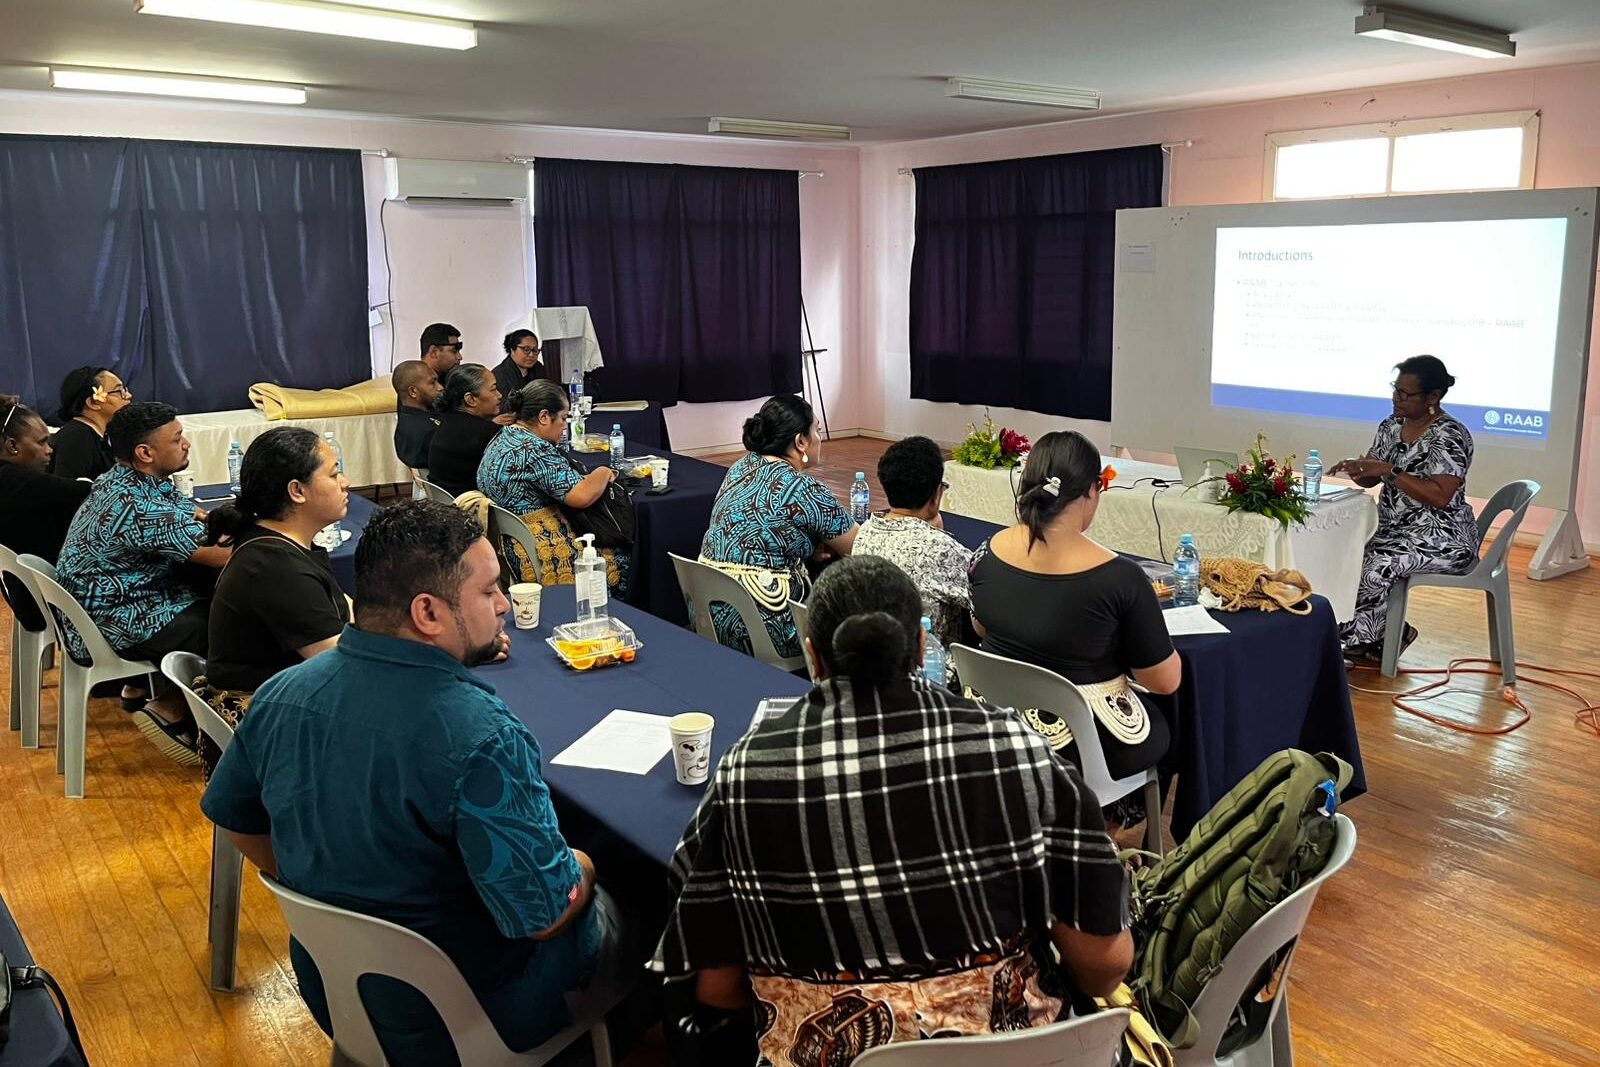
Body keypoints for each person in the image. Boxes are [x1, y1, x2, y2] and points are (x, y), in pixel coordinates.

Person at [654, 556, 1132, 1066]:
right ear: (921, 647)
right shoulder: (1012, 746)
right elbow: (1106, 966)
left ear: (814, 658)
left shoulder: (747, 772)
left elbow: (716, 989)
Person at [200, 501, 628, 1066]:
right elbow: (543, 916)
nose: (503, 604)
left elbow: (233, 818)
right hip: (461, 1014)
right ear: (428, 612)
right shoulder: (481, 735)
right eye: (489, 590)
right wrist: (587, 864)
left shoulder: (282, 692)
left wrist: (328, 901)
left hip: (331, 991)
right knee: (634, 893)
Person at [967, 430, 1180, 829]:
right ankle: (1105, 838)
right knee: (1170, 722)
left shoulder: (988, 552)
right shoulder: (1121, 578)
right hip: (1077, 747)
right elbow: (1164, 680)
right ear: (1090, 493)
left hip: (992, 724)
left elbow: (980, 625)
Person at [56, 402, 233, 764]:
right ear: (145, 452)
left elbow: (191, 512)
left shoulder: (121, 478)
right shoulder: (140, 507)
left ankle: (142, 689)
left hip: (102, 605)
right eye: (177, 439)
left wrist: (215, 519)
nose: (186, 445)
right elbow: (224, 557)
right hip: (111, 621)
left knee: (204, 592)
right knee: (227, 620)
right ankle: (169, 707)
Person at [194, 428, 352, 770]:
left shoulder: (282, 546)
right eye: (335, 473)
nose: (345, 483)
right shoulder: (273, 565)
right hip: (270, 726)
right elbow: (340, 665)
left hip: (285, 699)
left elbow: (347, 611)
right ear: (297, 491)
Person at [1330, 355, 1479, 662]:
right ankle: (1388, 633)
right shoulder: (1391, 425)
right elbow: (1373, 478)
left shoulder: (1449, 436)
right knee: (1341, 555)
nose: (1396, 399)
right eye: (1395, 390)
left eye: (1406, 394)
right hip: (1392, 530)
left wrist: (1389, 470)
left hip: (1441, 539)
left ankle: (1341, 647)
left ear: (1432, 397)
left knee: (1374, 566)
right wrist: (1361, 469)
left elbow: (1440, 497)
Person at [699, 394, 857, 658]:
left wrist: (806, 548)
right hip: (767, 629)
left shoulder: (740, 467)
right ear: (800, 441)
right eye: (816, 430)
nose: (820, 438)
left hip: (710, 614)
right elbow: (858, 546)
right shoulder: (802, 488)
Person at [476, 380, 630, 588]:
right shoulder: (534, 449)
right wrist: (603, 472)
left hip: (509, 542)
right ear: (544, 417)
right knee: (627, 553)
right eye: (563, 418)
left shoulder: (504, 436)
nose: (564, 427)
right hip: (538, 550)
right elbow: (581, 496)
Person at [851, 435, 973, 646]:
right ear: (936, 493)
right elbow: (984, 595)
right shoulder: (939, 549)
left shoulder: (866, 530)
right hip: (928, 672)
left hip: (874, 659)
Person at [0, 395, 93, 632]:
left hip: (27, 596)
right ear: (12, 446)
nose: (49, 450)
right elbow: (85, 491)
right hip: (48, 604)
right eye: (42, 443)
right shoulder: (14, 481)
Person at [426, 364, 504, 498]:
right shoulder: (487, 433)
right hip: (472, 510)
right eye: (494, 389)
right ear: (471, 399)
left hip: (444, 505)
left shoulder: (445, 423)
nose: (500, 395)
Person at [51, 365, 132, 480]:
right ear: (93, 403)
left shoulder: (106, 436)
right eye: (119, 391)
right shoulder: (77, 437)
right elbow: (68, 491)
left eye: (124, 390)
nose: (128, 396)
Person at [391, 359, 442, 471]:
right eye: (432, 383)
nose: (440, 387)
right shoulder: (429, 430)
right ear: (413, 391)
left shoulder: (406, 421)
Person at [492, 329, 545, 404]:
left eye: (535, 350)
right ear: (512, 349)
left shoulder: (538, 368)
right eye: (526, 350)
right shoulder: (499, 375)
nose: (531, 355)